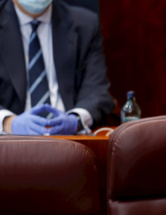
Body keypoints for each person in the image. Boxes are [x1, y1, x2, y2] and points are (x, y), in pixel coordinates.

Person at [0, 0, 115, 135]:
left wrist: (75, 120)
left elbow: (97, 89)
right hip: (9, 142)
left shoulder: (85, 24)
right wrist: (8, 122)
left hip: (70, 141)